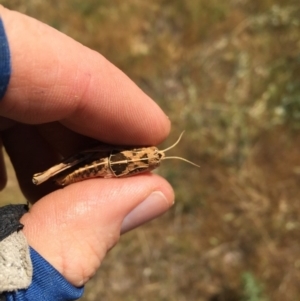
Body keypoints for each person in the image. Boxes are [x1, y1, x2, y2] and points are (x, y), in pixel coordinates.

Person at [0, 5, 174, 300]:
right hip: (91, 165)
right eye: (151, 156)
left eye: (152, 159)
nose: (153, 158)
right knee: (62, 167)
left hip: (104, 165)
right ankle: (48, 177)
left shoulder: (139, 157)